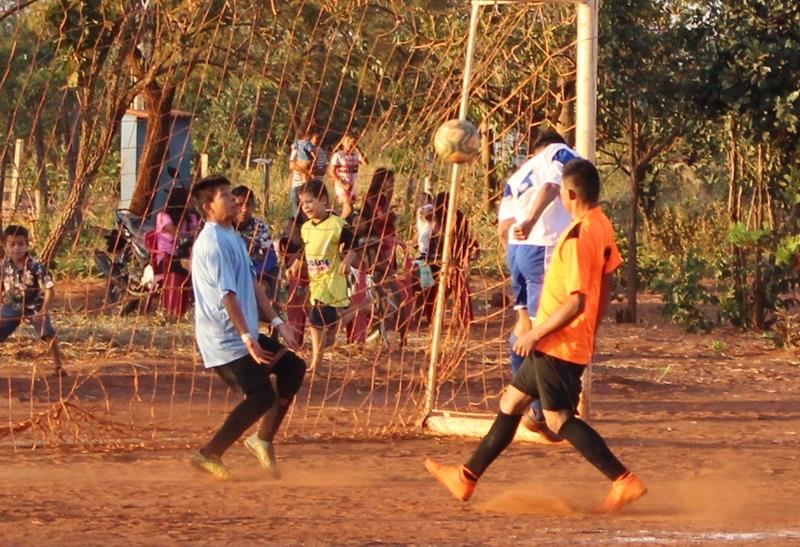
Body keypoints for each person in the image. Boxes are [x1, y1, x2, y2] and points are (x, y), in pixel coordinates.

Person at [425, 159, 647, 514]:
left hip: (558, 342)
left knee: (558, 420)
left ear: (570, 193)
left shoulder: (576, 238)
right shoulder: (600, 223)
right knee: (511, 402)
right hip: (562, 340)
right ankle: (466, 476)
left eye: (560, 190)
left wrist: (536, 334)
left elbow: (576, 301)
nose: (559, 194)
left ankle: (622, 480)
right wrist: (593, 325)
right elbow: (607, 280)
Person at [189, 175, 305, 480]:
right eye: (225, 196)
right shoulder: (212, 242)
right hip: (224, 339)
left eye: (232, 194)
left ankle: (262, 439)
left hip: (244, 335)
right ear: (208, 208)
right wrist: (246, 336)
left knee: (293, 368)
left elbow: (253, 285)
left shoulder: (233, 237)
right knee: (262, 395)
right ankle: (209, 453)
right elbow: (228, 295)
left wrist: (278, 322)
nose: (234, 200)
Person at [498, 129, 577, 439]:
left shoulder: (518, 174)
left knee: (523, 324)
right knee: (546, 329)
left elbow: (503, 227)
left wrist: (515, 256)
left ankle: (528, 400)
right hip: (544, 246)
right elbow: (552, 185)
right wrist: (531, 221)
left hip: (517, 251)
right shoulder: (559, 153)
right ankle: (543, 410)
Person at [287, 179, 359, 372]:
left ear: (324, 201)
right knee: (316, 322)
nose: (306, 206)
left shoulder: (338, 225)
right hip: (317, 282)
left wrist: (346, 260)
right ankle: (316, 363)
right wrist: (295, 263)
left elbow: (355, 245)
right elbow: (306, 249)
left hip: (334, 280)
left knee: (323, 323)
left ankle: (357, 309)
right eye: (302, 203)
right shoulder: (306, 228)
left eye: (309, 201)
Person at [0, 225, 66, 376]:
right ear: (5, 246)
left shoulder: (36, 266)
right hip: (13, 305)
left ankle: (59, 367)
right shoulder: (4, 265)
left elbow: (49, 289)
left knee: (48, 333)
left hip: (34, 305)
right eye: (12, 244)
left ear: (27, 244)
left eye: (20, 244)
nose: (17, 248)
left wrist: (44, 310)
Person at [154, 186, 198, 317]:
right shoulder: (163, 217)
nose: (192, 205)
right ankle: (172, 309)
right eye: (189, 201)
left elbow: (197, 234)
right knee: (183, 266)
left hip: (187, 256)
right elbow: (177, 234)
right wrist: (191, 234)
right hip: (167, 259)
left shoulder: (191, 218)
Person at [232, 185, 280, 302]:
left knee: (265, 285)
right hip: (230, 273)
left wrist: (254, 272)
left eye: (248, 204)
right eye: (239, 205)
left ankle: (273, 315)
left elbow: (271, 257)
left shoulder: (259, 226)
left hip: (254, 272)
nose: (244, 209)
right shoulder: (224, 227)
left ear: (253, 206)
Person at [329, 133, 368, 221]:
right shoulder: (338, 155)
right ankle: (338, 225)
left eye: (352, 141)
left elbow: (365, 162)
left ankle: (343, 225)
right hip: (342, 185)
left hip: (352, 185)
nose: (350, 143)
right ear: (343, 143)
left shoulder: (356, 155)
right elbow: (332, 172)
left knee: (349, 210)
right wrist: (342, 183)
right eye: (347, 141)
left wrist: (358, 148)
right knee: (349, 207)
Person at [289, 127, 328, 214]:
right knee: (299, 216)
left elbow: (324, 170)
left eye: (321, 138)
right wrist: (306, 171)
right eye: (317, 138)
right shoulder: (300, 148)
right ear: (310, 137)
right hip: (299, 186)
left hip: (316, 188)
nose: (319, 141)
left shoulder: (321, 152)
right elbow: (292, 165)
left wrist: (315, 171)